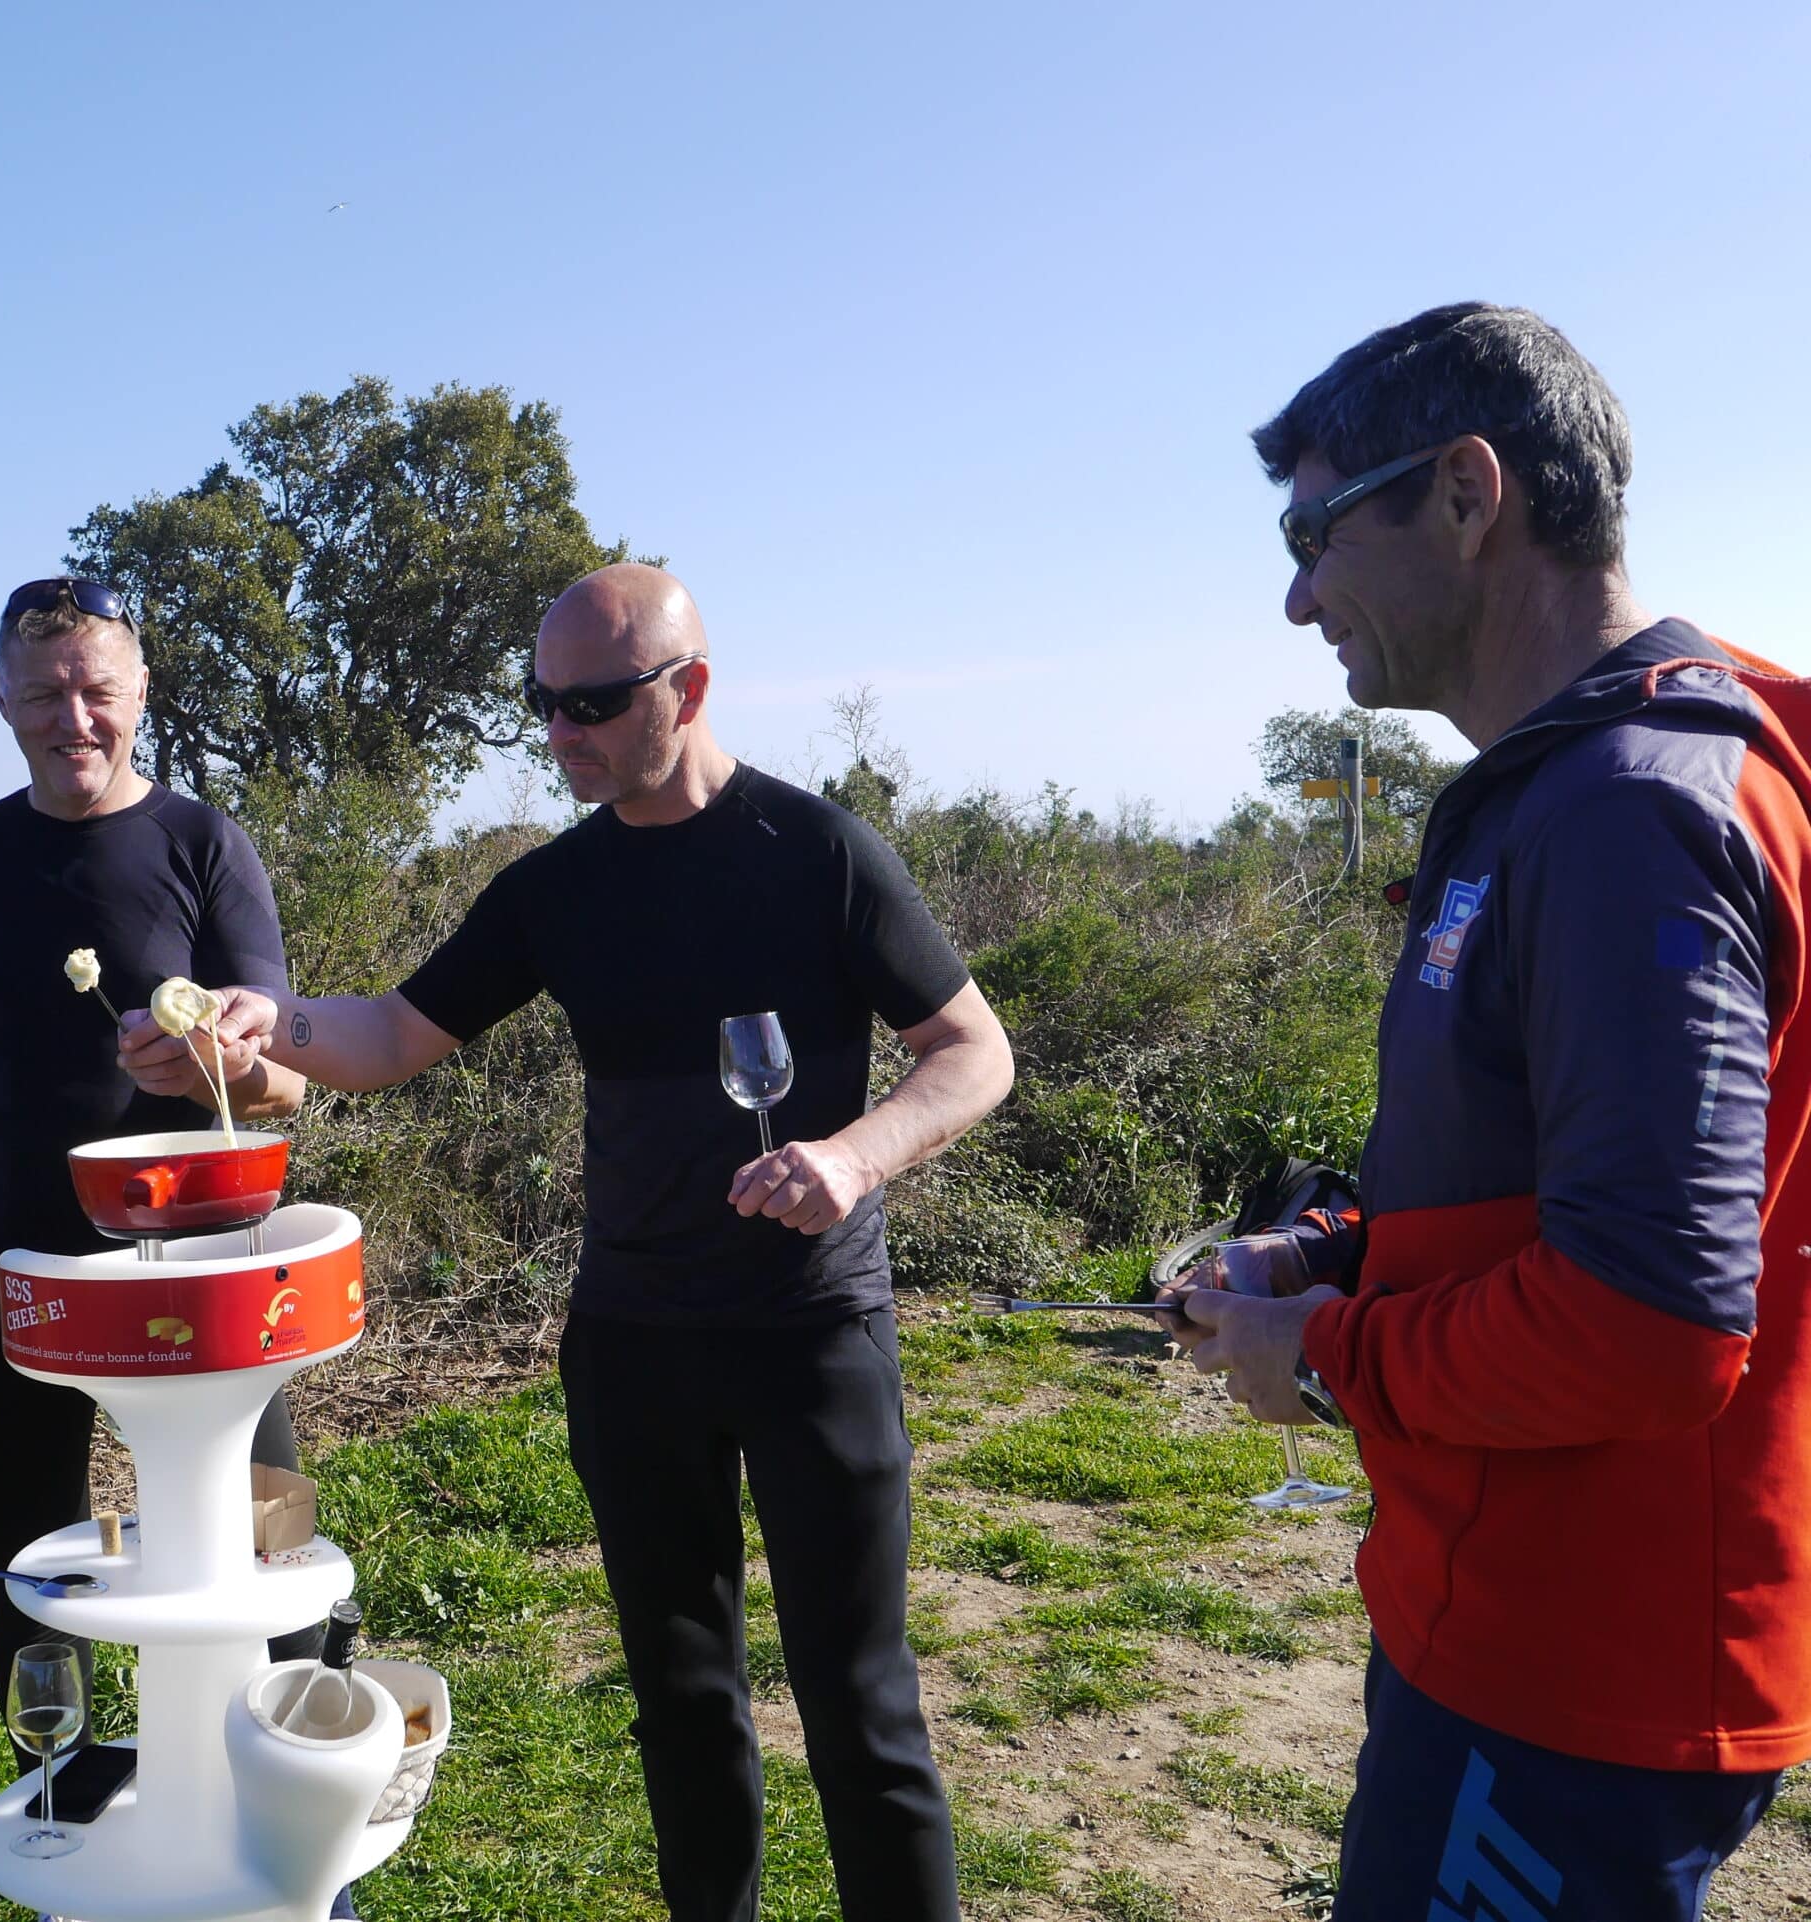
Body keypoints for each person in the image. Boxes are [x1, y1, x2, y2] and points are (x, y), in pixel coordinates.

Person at [133, 563, 1015, 1922]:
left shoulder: (819, 850)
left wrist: (851, 1155)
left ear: (691, 688)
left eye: (593, 704)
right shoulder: (558, 886)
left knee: (859, 1697)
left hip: (810, 1331)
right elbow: (389, 1032)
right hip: (635, 1339)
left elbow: (974, 1051)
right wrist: (263, 1025)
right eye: (542, 705)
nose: (561, 734)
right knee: (679, 1694)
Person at [1168, 303, 1811, 1919]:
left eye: (1316, 528)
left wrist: (1315, 1361)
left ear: (1468, 492)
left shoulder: (1627, 810)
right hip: (1519, 1614)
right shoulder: (1600, 778)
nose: (1298, 590)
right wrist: (1332, 1254)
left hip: (1583, 1659)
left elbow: (1649, 1318)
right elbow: (1560, 1188)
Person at [0, 578, 325, 1749]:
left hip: (191, 1268)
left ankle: (297, 1791)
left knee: (261, 1540)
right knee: (33, 1570)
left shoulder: (202, 843)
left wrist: (218, 1061)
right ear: (1, 699)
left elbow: (289, 1083)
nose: (76, 719)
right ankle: (63, 1817)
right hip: (10, 1263)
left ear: (141, 692)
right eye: (47, 692)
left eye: (99, 690)